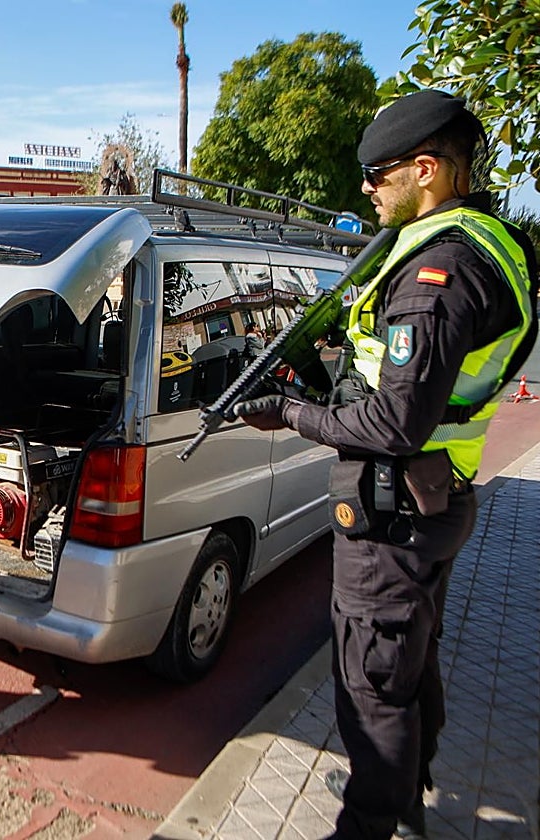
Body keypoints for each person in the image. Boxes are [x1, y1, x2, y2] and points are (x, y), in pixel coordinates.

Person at [234, 90, 537, 840]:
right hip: (429, 501)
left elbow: (396, 421)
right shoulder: (487, 240)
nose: (366, 189)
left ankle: (372, 821)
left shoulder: (441, 272)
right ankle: (403, 790)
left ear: (427, 170)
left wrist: (290, 414)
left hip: (395, 508)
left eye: (378, 175)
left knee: (374, 690)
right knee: (409, 664)